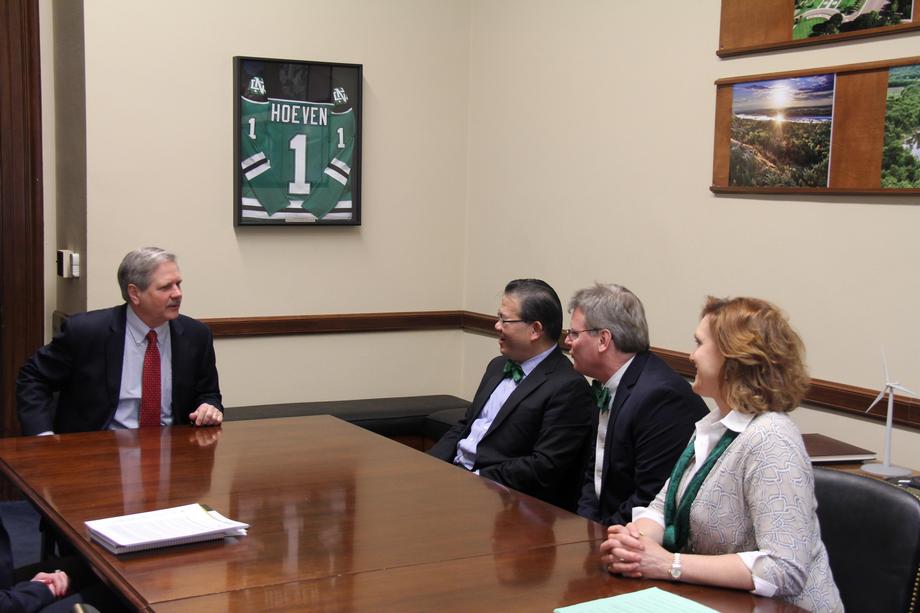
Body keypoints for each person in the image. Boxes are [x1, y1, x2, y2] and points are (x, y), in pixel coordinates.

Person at [601, 297, 842, 612]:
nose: (691, 356)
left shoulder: (772, 438)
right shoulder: (714, 425)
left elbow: (783, 569)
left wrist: (669, 564)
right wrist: (635, 543)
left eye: (700, 344)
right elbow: (662, 508)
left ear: (734, 357)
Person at [16, 247, 223, 435]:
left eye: (178, 284)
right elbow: (33, 377)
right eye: (165, 287)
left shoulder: (196, 335)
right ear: (134, 293)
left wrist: (209, 407)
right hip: (96, 452)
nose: (177, 294)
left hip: (174, 453)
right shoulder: (86, 332)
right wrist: (42, 436)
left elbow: (208, 393)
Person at [428, 279, 593, 510]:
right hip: (456, 482)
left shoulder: (568, 388)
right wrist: (428, 465)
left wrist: (474, 478)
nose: (497, 326)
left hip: (504, 501)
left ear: (535, 329)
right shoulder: (497, 366)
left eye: (504, 320)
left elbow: (544, 467)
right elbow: (466, 424)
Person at [568, 284, 707, 526]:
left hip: (641, 539)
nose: (568, 341)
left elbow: (649, 498)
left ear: (603, 339)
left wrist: (604, 537)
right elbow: (594, 472)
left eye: (574, 333)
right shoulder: (610, 382)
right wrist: (585, 527)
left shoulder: (660, 397)